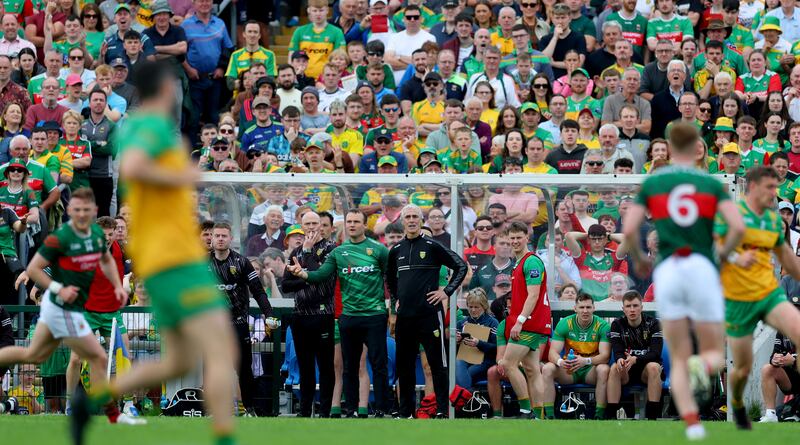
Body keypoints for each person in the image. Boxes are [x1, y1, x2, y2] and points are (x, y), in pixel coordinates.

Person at [73, 61, 240, 445]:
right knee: (221, 347)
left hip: (166, 255)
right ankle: (225, 438)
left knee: (180, 360)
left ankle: (92, 400)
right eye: (176, 84)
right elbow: (134, 167)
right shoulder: (148, 125)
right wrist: (183, 176)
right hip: (173, 256)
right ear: (166, 88)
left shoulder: (142, 127)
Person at [623, 122, 745, 440]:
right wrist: (721, 256)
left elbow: (631, 224)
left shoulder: (654, 182)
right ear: (696, 148)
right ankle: (702, 367)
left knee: (676, 355)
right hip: (702, 265)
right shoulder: (710, 183)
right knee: (715, 350)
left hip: (669, 270)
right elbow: (738, 228)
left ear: (669, 147)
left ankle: (692, 424)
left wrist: (637, 256)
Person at [0, 188, 142, 427]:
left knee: (112, 355)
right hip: (69, 309)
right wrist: (48, 287)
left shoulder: (110, 247)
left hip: (93, 311)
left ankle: (118, 409)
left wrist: (122, 283)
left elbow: (115, 263)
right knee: (53, 357)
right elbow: (42, 269)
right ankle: (77, 407)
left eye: (86, 210)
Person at [716, 166, 800, 429]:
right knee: (739, 361)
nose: (773, 193)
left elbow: (786, 257)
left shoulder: (774, 221)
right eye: (769, 187)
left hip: (768, 292)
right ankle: (738, 406)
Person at [286, 209, 391, 418]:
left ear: (364, 224)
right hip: (338, 316)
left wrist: (393, 309)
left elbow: (391, 281)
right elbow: (305, 279)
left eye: (356, 221)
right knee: (344, 366)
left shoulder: (369, 250)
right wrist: (303, 273)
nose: (352, 225)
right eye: (349, 222)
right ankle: (346, 409)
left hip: (361, 314)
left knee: (374, 364)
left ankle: (380, 409)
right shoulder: (331, 252)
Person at [387, 203, 468, 418]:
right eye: (408, 217)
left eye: (415, 216)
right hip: (405, 317)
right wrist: (396, 299)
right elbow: (389, 278)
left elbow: (461, 266)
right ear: (402, 221)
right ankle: (405, 413)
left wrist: (447, 292)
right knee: (404, 367)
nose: (412, 220)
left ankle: (442, 410)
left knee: (437, 365)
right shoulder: (395, 250)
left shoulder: (432, 245)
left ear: (421, 220)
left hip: (430, 315)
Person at [209, 222, 276, 417]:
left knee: (243, 368)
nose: (220, 239)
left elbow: (258, 291)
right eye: (217, 236)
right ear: (211, 239)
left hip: (238, 323)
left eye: (224, 236)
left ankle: (250, 409)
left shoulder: (241, 262)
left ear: (231, 239)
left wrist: (269, 314)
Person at [280, 211, 337, 417]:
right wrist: (304, 277)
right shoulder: (296, 251)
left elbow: (321, 280)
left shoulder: (331, 250)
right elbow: (286, 285)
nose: (313, 227)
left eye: (316, 223)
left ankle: (325, 411)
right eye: (308, 223)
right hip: (300, 315)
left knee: (325, 365)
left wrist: (308, 254)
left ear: (323, 226)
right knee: (304, 366)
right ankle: (304, 412)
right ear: (301, 226)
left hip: (323, 315)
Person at [497, 221, 551, 418]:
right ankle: (538, 416)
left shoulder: (531, 261)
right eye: (512, 238)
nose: (515, 241)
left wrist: (519, 321)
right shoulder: (519, 262)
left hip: (529, 323)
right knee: (532, 370)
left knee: (507, 364)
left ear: (527, 237)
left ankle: (526, 410)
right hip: (532, 323)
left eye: (519, 237)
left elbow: (534, 295)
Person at [542, 293, 611, 419]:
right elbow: (552, 353)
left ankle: (599, 416)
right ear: (575, 309)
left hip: (590, 369)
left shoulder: (603, 325)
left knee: (604, 369)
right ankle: (549, 416)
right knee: (547, 369)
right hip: (570, 370)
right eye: (581, 307)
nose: (585, 311)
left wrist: (585, 361)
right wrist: (560, 362)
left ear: (594, 308)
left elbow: (605, 356)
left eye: (588, 307)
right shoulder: (565, 323)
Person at [606, 290, 664, 420]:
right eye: (628, 306)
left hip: (646, 371)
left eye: (635, 306)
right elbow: (618, 351)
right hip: (627, 371)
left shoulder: (654, 324)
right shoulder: (617, 324)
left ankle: (652, 417)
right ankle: (610, 417)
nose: (632, 310)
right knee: (615, 367)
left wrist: (636, 359)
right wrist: (621, 359)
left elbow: (655, 354)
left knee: (654, 366)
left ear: (642, 307)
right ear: (623, 309)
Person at [455, 288, 498, 391]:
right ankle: (467, 399)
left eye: (476, 307)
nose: (473, 310)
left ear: (484, 306)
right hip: (465, 359)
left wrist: (479, 343)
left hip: (485, 361)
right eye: (470, 307)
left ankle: (465, 401)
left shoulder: (492, 323)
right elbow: (452, 350)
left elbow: (497, 348)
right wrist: (456, 341)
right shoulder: (462, 323)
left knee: (464, 373)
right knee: (457, 363)